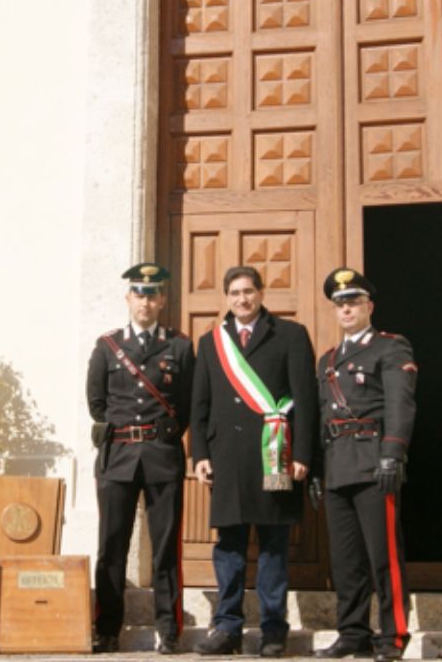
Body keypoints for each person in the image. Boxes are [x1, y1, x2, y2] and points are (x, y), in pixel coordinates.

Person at [190, 266, 317, 658]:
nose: (242, 299)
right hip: (227, 458)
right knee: (228, 547)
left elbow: (306, 400)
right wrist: (200, 454)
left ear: (261, 294)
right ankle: (227, 627)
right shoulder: (212, 342)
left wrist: (302, 455)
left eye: (248, 291)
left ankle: (273, 631)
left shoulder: (291, 335)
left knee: (273, 545)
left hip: (274, 456)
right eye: (234, 293)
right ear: (226, 298)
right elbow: (200, 403)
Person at [86, 262, 195, 655]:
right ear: (128, 298)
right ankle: (107, 628)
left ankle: (169, 630)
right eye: (138, 293)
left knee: (166, 548)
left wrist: (165, 436)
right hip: (118, 459)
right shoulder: (107, 346)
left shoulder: (179, 346)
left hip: (162, 457)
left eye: (152, 294)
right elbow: (97, 403)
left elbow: (186, 403)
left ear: (162, 299)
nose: (145, 301)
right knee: (111, 546)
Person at [313, 268, 418, 662]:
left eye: (354, 301)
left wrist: (394, 452)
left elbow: (399, 403)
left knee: (383, 555)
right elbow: (323, 415)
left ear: (369, 306)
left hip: (375, 463)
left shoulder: (390, 348)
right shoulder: (327, 360)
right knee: (346, 560)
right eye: (340, 303)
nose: (346, 309)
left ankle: (393, 635)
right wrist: (318, 470)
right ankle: (352, 632)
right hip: (338, 464)